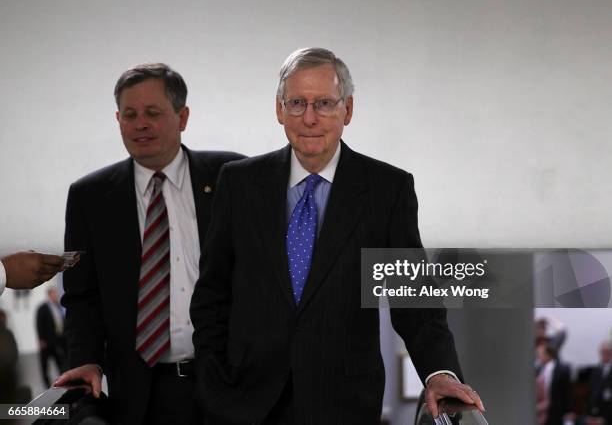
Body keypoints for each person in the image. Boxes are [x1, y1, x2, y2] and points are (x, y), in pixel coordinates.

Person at [190, 47, 484, 424]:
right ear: (279, 109)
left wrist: (439, 372)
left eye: (325, 103)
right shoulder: (239, 182)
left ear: (347, 110)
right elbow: (212, 294)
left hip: (343, 403)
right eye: (297, 103)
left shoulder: (386, 190)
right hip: (243, 402)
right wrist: (213, 382)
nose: (309, 118)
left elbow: (414, 302)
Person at [54, 63, 244, 425]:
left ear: (182, 116)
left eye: (153, 113)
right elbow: (81, 296)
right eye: (130, 114)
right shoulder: (89, 197)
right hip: (138, 396)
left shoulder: (232, 177)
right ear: (118, 119)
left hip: (227, 384)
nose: (140, 124)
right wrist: (84, 359)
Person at [36, 286, 67, 387]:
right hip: (46, 341)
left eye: (56, 294)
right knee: (44, 365)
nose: (56, 296)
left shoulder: (58, 306)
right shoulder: (42, 308)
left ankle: (62, 382)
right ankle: (46, 385)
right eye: (54, 294)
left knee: (61, 362)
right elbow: (39, 324)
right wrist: (41, 339)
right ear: (49, 295)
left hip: (58, 340)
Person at [535, 341, 571, 425]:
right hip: (542, 412)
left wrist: (568, 411)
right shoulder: (539, 370)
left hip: (556, 411)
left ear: (548, 354)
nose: (538, 357)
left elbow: (567, 392)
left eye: (540, 354)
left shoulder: (561, 370)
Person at [588, 341, 612, 423]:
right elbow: (591, 393)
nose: (604, 355)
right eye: (602, 352)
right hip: (596, 414)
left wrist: (604, 418)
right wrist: (591, 415)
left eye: (607, 352)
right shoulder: (596, 370)